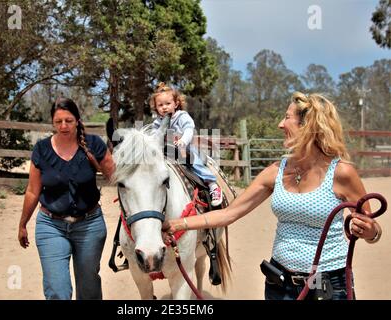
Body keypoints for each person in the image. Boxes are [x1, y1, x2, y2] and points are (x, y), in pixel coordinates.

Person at [162, 91, 384, 300]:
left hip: (329, 285)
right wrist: (176, 224)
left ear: (309, 126)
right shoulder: (275, 171)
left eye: (287, 118)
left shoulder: (342, 172)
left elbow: (372, 228)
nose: (280, 124)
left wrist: (369, 231)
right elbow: (229, 214)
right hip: (280, 283)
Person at [18, 97, 115, 300]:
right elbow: (32, 191)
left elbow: (117, 177)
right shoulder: (42, 149)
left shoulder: (93, 144)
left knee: (88, 288)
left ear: (78, 120)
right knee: (57, 291)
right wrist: (23, 224)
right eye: (58, 121)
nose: (63, 126)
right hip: (51, 225)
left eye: (69, 121)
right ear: (52, 123)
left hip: (89, 225)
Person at [149, 82, 223, 206]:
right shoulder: (157, 122)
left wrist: (183, 140)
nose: (164, 107)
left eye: (168, 103)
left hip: (184, 149)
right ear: (156, 108)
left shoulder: (181, 116)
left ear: (176, 104)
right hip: (166, 151)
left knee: (195, 163)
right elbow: (154, 136)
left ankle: (212, 185)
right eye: (160, 105)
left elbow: (189, 129)